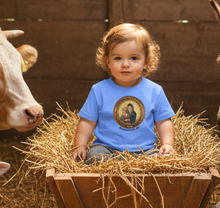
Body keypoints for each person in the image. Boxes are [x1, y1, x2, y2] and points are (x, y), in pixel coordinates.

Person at [72, 23, 175, 163]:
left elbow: (163, 121)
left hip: (144, 150)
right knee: (94, 157)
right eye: (118, 58)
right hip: (107, 148)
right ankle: (120, 165)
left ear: (146, 62)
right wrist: (80, 146)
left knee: (161, 161)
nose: (125, 64)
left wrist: (167, 144)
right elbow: (87, 122)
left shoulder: (154, 90)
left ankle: (132, 165)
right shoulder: (99, 90)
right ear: (108, 62)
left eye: (134, 58)